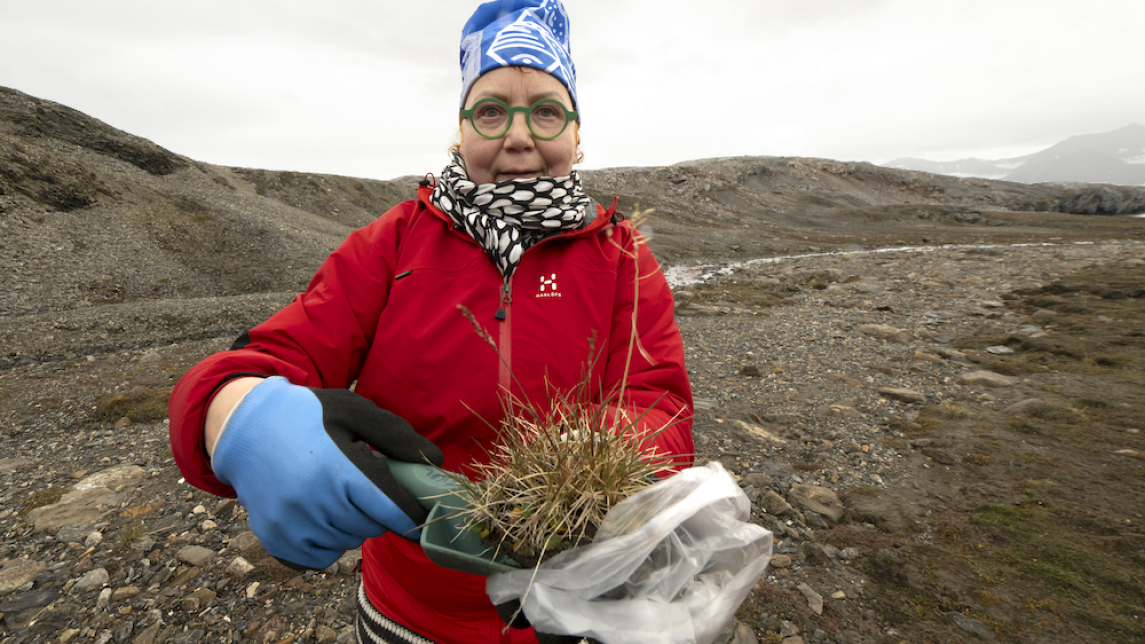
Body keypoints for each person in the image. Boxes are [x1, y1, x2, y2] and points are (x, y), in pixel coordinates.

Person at [168, 1, 694, 642]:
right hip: (409, 607)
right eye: (492, 111)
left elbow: (658, 405)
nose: (518, 137)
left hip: (567, 597)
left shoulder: (622, 256)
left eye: (546, 111)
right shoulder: (394, 241)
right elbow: (274, 355)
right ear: (461, 131)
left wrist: (577, 485)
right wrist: (237, 416)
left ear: (576, 136)